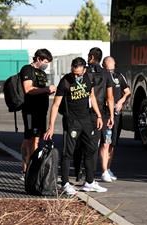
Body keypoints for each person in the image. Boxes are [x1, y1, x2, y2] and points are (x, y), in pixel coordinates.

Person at [44, 57, 107, 195]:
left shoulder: (89, 78)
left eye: (78, 73)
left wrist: (99, 116)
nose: (76, 76)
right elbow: (55, 106)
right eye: (74, 73)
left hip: (87, 120)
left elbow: (92, 98)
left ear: (84, 70)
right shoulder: (66, 81)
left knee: (91, 150)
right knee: (68, 153)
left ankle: (89, 182)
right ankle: (65, 184)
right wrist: (51, 126)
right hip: (72, 121)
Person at [20, 48, 55, 177]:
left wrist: (47, 91)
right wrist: (46, 89)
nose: (47, 64)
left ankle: (31, 166)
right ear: (39, 59)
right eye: (45, 61)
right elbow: (28, 89)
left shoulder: (42, 73)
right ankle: (27, 168)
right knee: (31, 139)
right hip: (30, 110)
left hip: (41, 111)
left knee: (38, 138)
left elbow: (40, 89)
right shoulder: (27, 69)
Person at [73, 47, 106, 183]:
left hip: (82, 111)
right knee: (93, 145)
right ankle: (90, 175)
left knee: (78, 144)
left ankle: (78, 170)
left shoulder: (83, 72)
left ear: (91, 57)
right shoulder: (105, 74)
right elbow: (109, 96)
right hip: (98, 112)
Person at [99, 56, 130, 183]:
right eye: (108, 69)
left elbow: (127, 91)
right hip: (105, 113)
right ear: (103, 66)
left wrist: (122, 101)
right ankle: (103, 171)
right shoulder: (101, 76)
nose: (110, 71)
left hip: (116, 113)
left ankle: (108, 168)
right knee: (105, 142)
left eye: (112, 68)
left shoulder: (119, 76)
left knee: (112, 144)